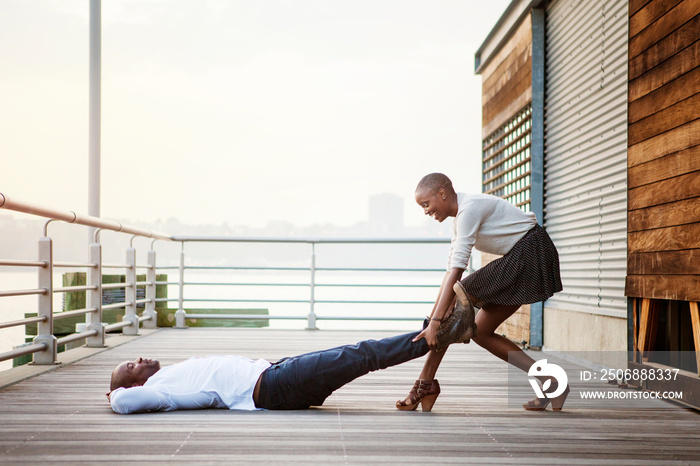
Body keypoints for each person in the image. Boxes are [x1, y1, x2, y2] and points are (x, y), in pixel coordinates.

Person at [396, 173, 565, 412]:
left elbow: (457, 272)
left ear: (442, 194)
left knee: (457, 298)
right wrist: (432, 319)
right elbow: (450, 272)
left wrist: (435, 322)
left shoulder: (469, 209)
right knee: (481, 332)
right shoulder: (461, 218)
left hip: (530, 252)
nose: (425, 211)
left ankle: (424, 384)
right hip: (527, 254)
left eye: (426, 204)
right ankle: (551, 381)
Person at [107, 317, 471, 414]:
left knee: (359, 355)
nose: (138, 359)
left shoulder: (166, 378)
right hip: (274, 385)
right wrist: (114, 392)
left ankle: (432, 331)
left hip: (277, 374)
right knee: (362, 354)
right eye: (131, 364)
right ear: (135, 386)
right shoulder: (158, 393)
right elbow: (123, 403)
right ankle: (434, 333)